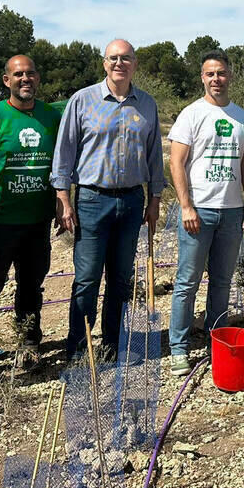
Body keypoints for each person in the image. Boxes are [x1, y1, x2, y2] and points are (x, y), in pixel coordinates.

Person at [51, 39, 164, 360]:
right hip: (91, 200)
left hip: (130, 202)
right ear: (104, 63)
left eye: (126, 58)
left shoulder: (146, 104)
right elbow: (65, 151)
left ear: (135, 64)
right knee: (87, 278)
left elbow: (155, 154)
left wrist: (154, 198)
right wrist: (63, 198)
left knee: (120, 278)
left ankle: (112, 342)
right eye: (113, 58)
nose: (119, 63)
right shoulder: (82, 100)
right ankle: (77, 344)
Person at [0, 55, 62, 378]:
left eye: (31, 73)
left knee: (31, 286)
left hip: (37, 220)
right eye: (18, 75)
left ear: (38, 78)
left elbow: (61, 164)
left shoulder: (50, 116)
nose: (25, 79)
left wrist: (63, 201)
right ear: (7, 80)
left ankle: (28, 344)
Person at [167, 50, 244, 375]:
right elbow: (176, 161)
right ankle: (179, 347)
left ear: (230, 76)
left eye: (221, 73)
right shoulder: (191, 114)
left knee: (222, 282)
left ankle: (215, 340)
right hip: (198, 212)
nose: (216, 79)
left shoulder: (242, 118)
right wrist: (186, 205)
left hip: (232, 212)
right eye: (210, 74)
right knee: (187, 281)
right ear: (202, 78)